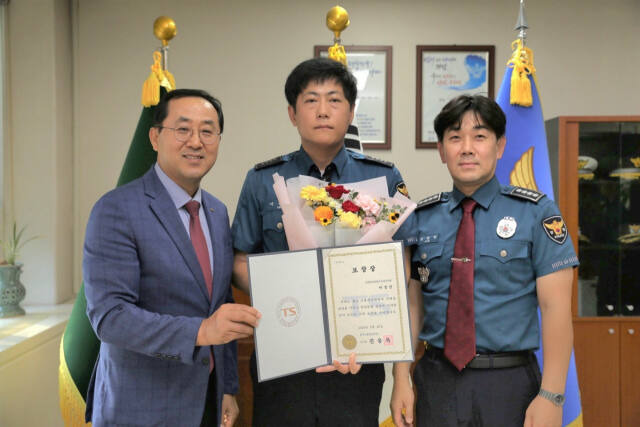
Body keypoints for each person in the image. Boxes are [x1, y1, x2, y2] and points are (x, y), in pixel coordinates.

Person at [231, 57, 411, 426]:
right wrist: (282, 290)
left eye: (334, 99)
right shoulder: (262, 179)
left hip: (356, 358)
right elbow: (239, 259)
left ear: (351, 111)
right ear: (292, 113)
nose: (323, 110)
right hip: (284, 351)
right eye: (311, 100)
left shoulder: (383, 178)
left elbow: (401, 260)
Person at [391, 94, 578, 427]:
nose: (466, 148)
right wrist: (401, 375)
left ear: (500, 145)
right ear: (441, 150)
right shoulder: (421, 219)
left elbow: (556, 309)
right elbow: (412, 306)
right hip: (436, 382)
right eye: (454, 137)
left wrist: (552, 394)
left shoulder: (537, 213)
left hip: (509, 383)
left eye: (479, 136)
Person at [83, 89, 261, 427]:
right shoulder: (116, 209)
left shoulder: (216, 211)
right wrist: (201, 331)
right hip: (139, 404)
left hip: (207, 399)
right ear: (154, 137)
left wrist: (227, 388)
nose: (196, 141)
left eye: (208, 131)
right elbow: (110, 318)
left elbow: (219, 302)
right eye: (183, 129)